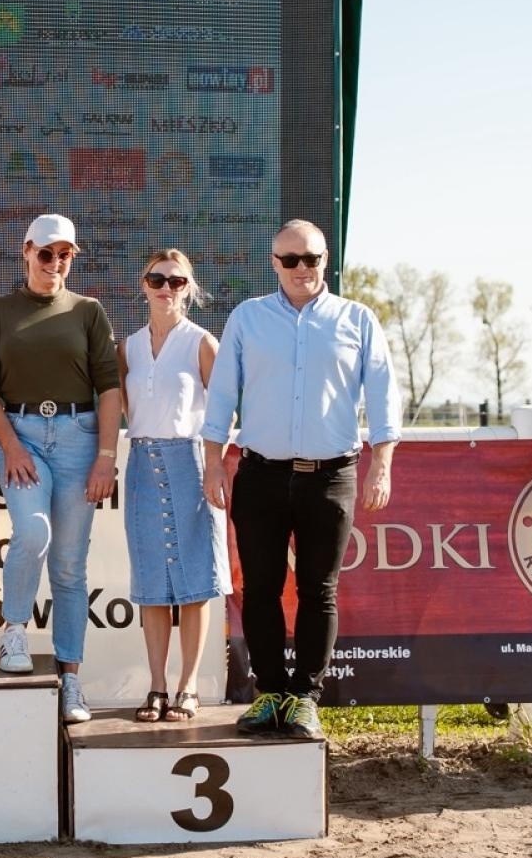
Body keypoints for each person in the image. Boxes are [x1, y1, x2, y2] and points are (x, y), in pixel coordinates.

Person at [202, 219, 401, 740]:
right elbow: (222, 394)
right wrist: (211, 462)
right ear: (274, 263)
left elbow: (382, 396)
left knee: (320, 591)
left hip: (332, 477)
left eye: (309, 258)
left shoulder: (357, 320)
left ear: (325, 260)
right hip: (260, 475)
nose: (299, 269)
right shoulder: (247, 319)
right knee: (261, 590)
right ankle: (270, 694)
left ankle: (306, 699)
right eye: (288, 259)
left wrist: (382, 464)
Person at [0, 214, 121, 723]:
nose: (55, 263)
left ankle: (71, 680)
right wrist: (10, 445)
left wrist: (106, 455)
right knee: (31, 532)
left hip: (80, 441)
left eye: (65, 255)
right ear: (26, 251)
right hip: (23, 436)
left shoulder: (89, 311)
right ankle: (14, 629)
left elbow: (109, 388)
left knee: (69, 568)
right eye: (46, 253)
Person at [117, 249, 230, 723]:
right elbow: (119, 409)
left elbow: (223, 411)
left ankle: (188, 688)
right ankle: (157, 687)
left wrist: (213, 466)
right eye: (157, 279)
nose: (166, 288)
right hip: (142, 463)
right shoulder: (128, 347)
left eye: (177, 281)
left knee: (193, 584)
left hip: (190, 461)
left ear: (190, 288)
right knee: (152, 586)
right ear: (143, 284)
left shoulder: (202, 342)